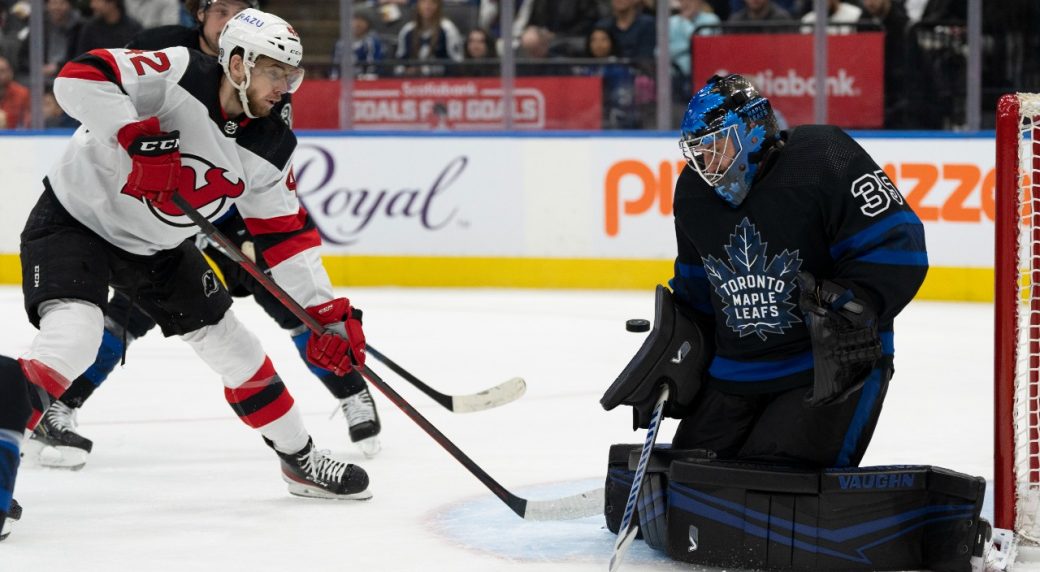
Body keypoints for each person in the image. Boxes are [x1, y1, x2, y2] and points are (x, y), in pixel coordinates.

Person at [0, 7, 375, 541]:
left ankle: (301, 461)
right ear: (239, 64)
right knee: (72, 343)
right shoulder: (176, 71)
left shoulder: (272, 144)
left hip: (159, 249)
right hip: (75, 220)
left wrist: (324, 315)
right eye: (275, 72)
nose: (284, 87)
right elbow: (78, 78)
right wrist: (133, 133)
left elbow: (285, 239)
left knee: (238, 350)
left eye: (292, 76)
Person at [607, 74, 927, 470]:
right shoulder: (692, 192)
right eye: (698, 153)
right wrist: (675, 359)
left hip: (822, 365)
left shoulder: (824, 157)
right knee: (686, 485)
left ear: (753, 132)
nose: (707, 164)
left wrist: (851, 306)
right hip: (735, 372)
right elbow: (695, 290)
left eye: (716, 147)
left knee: (774, 491)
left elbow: (899, 248)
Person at [394, 0, 463, 77]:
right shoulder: (407, 31)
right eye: (423, 2)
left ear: (438, 6)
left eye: (432, 3)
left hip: (441, 83)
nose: (427, 7)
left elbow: (457, 63)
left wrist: (426, 70)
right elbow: (399, 63)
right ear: (418, 5)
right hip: (411, 83)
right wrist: (406, 71)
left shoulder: (448, 29)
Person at [74, 0, 143, 54]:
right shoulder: (89, 28)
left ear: (112, 2)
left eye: (96, 1)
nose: (92, 5)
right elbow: (82, 58)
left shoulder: (134, 28)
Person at [0, 54, 29, 128]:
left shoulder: (22, 93)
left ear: (10, 72)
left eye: (2, 71)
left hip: (14, 137)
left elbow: (27, 123)